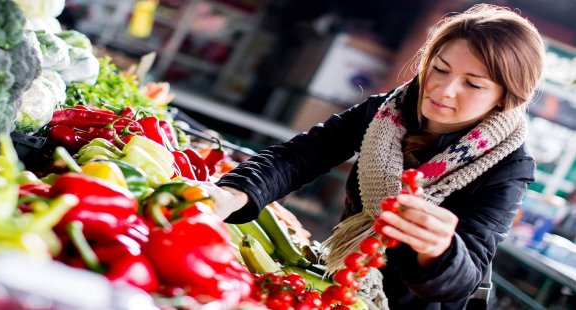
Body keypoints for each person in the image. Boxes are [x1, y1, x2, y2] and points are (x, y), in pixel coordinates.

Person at [198, 3, 544, 310]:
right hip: (342, 286)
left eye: (473, 84)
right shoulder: (386, 112)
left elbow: (464, 279)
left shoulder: (509, 164)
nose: (444, 89)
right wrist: (230, 195)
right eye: (440, 68)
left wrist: (441, 249)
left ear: (504, 97)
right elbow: (299, 157)